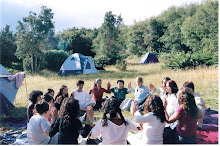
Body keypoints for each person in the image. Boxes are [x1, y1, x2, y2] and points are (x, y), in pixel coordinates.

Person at [162, 80, 179, 144]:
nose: (166, 88)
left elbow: (172, 112)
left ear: (172, 87)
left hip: (172, 124)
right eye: (165, 87)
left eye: (167, 87)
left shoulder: (175, 98)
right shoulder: (168, 96)